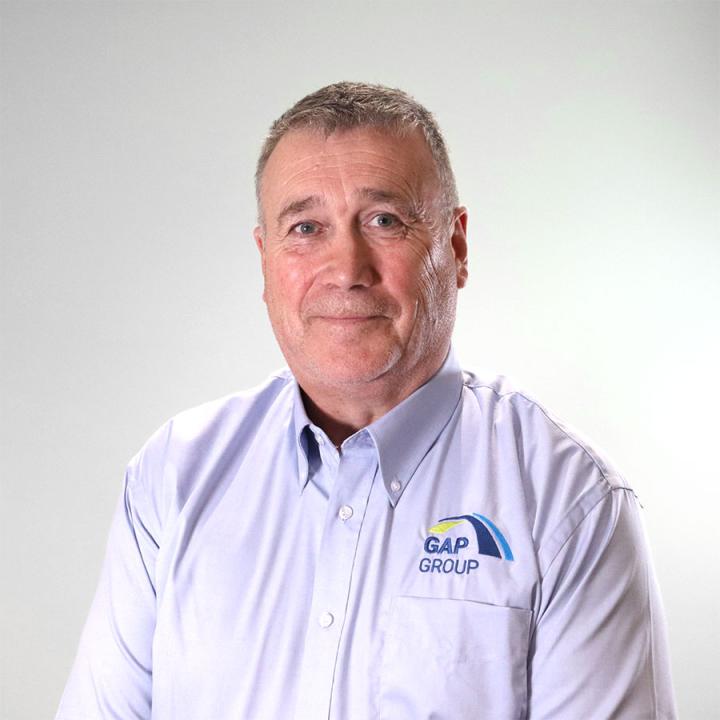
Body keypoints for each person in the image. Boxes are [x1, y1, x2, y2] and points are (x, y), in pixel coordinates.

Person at [55, 81, 676, 719]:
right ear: (265, 260)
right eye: (306, 228)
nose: (347, 268)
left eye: (385, 221)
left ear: (456, 247)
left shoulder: (567, 499)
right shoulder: (174, 477)